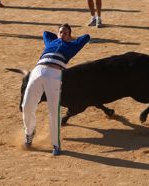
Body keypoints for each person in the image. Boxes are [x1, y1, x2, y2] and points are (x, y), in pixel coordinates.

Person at [22, 23, 90, 156]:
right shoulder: (51, 42)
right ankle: (29, 133)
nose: (62, 34)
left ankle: (56, 144)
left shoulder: (73, 45)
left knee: (53, 109)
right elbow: (45, 32)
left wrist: (70, 39)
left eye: (65, 32)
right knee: (26, 105)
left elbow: (86, 36)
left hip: (55, 73)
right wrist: (58, 37)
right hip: (38, 70)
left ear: (69, 35)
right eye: (60, 32)